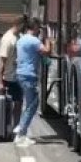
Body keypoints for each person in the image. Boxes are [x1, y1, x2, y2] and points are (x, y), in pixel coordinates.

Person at [12, 19, 51, 147]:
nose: (39, 30)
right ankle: (21, 133)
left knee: (29, 103)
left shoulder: (21, 40)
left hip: (20, 73)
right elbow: (46, 51)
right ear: (34, 27)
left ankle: (21, 128)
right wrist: (48, 39)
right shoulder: (34, 41)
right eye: (38, 28)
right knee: (32, 105)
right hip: (29, 75)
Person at [0, 17, 24, 136]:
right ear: (18, 24)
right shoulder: (8, 39)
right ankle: (6, 129)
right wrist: (0, 81)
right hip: (8, 77)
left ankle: (15, 129)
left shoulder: (18, 37)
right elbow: (2, 61)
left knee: (18, 104)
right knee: (9, 106)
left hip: (16, 77)